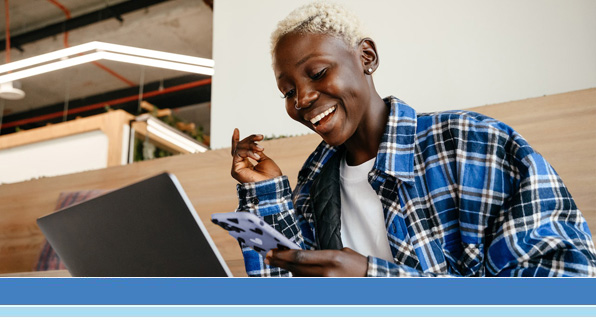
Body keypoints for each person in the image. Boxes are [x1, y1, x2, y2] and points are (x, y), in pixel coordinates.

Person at [229, 1, 596, 277]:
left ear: (366, 57)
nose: (302, 99)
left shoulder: (472, 144)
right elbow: (286, 298)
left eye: (319, 73)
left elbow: (566, 287)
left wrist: (377, 281)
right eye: (288, 91)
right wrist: (268, 195)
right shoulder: (312, 182)